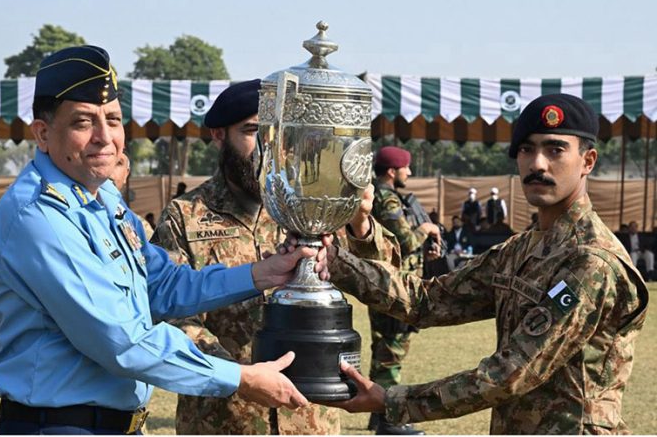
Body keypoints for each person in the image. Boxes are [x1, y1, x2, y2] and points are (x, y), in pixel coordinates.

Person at [0, 45, 329, 435]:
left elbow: (162, 285)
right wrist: (240, 378)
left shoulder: (101, 197)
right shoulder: (40, 217)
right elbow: (122, 342)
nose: (104, 137)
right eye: (83, 122)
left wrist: (262, 274)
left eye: (112, 119)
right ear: (43, 134)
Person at [322, 94, 649, 434]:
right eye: (526, 150)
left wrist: (392, 400)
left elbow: (511, 373)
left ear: (588, 161)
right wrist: (337, 261)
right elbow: (428, 301)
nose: (537, 164)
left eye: (555, 150)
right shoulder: (522, 249)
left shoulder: (591, 262)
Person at [153, 79, 362, 434]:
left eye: (275, 133)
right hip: (224, 418)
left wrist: (361, 225)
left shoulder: (310, 208)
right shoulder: (185, 216)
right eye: (252, 131)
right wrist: (240, 376)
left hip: (309, 418)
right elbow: (169, 315)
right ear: (219, 135)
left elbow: (382, 271)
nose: (267, 146)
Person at [368, 146, 441, 435]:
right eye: (405, 168)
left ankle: (377, 412)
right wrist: (427, 229)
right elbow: (407, 241)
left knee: (384, 348)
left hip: (387, 283)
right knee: (392, 350)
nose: (409, 173)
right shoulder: (387, 201)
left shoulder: (382, 197)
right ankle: (388, 418)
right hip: (394, 287)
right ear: (391, 171)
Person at [110, 153, 153, 240]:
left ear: (126, 174)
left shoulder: (138, 225)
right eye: (106, 162)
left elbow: (148, 251)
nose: (109, 170)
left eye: (118, 163)